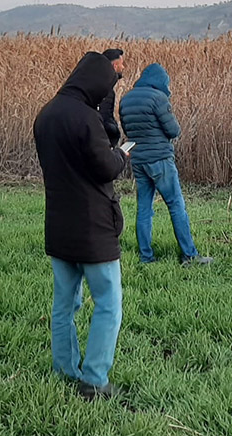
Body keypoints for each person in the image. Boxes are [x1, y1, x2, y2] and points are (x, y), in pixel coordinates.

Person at [33, 52, 130, 401]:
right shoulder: (86, 119)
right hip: (93, 229)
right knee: (108, 303)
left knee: (64, 305)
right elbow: (105, 167)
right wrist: (122, 154)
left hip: (58, 224)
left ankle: (65, 371)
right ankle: (94, 381)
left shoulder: (46, 114)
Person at [118, 63, 213, 266]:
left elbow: (127, 129)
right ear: (161, 81)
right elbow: (173, 130)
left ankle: (146, 257)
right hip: (160, 160)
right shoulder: (158, 98)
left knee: (144, 209)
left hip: (138, 160)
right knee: (176, 205)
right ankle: (189, 255)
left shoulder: (126, 99)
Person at [98, 48, 125, 147]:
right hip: (101, 145)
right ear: (114, 66)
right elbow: (104, 119)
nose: (123, 67)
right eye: (121, 64)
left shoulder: (95, 83)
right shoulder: (105, 91)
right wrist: (114, 132)